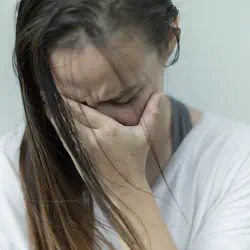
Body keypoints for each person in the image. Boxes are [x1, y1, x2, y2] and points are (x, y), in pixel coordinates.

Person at [1, 0, 250, 249]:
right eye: (71, 103)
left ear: (169, 40)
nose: (98, 129)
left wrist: (125, 188)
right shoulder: (9, 173)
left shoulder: (236, 163)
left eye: (122, 99)